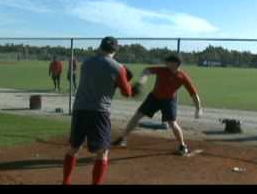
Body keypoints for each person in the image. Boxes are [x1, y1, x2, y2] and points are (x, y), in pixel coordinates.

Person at [62, 36, 132, 185]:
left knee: (74, 147)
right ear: (115, 50)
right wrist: (124, 76)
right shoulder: (117, 67)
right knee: (102, 152)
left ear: (100, 47)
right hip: (99, 112)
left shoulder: (86, 63)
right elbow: (127, 93)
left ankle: (65, 181)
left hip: (79, 109)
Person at [112, 55, 202, 156]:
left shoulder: (182, 77)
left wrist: (198, 108)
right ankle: (123, 138)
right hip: (154, 97)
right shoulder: (162, 70)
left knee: (172, 123)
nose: (166, 64)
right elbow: (146, 70)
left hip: (169, 100)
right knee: (137, 116)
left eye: (168, 62)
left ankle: (182, 146)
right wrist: (141, 82)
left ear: (175, 64)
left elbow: (193, 93)